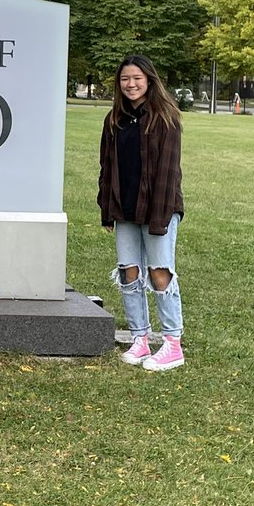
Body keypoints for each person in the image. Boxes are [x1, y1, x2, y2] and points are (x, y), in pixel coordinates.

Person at [97, 55, 186, 371]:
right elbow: (107, 168)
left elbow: (168, 172)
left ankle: (172, 344)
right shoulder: (115, 119)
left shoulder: (165, 118)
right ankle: (140, 339)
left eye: (136, 78)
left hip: (158, 208)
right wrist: (107, 209)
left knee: (159, 272)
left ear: (149, 80)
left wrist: (160, 219)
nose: (131, 84)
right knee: (129, 271)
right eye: (125, 79)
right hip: (126, 209)